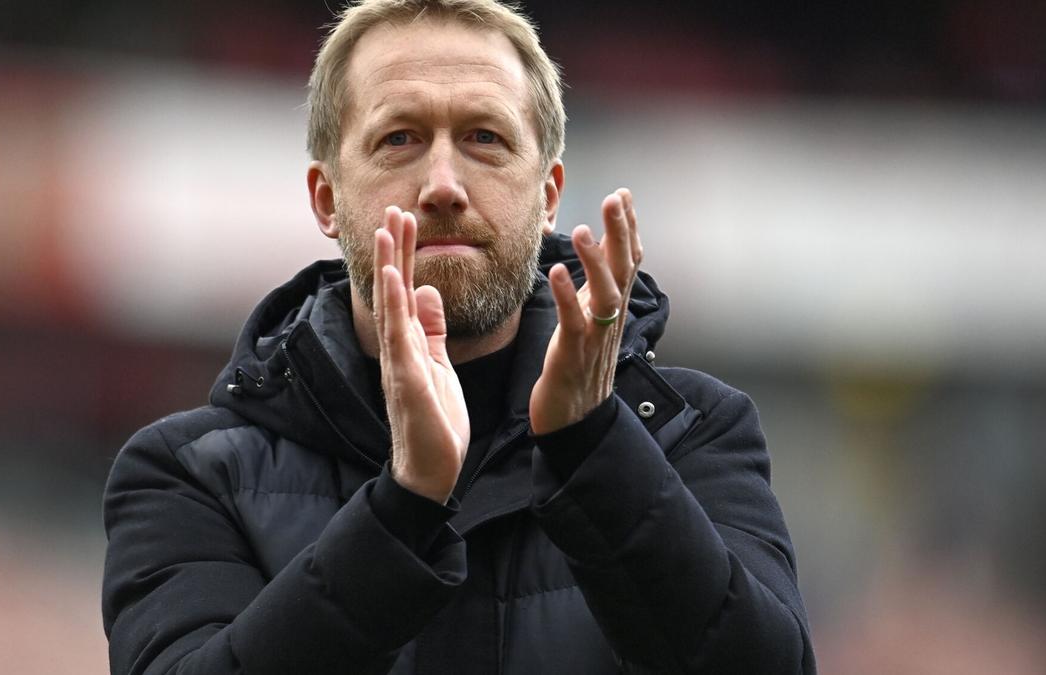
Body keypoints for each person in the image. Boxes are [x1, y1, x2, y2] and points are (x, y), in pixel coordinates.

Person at [100, 0, 815, 672]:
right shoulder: (187, 475)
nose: (443, 183)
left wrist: (593, 450)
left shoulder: (693, 433)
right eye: (400, 138)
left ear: (548, 195)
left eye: (485, 138)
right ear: (327, 198)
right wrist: (405, 506)